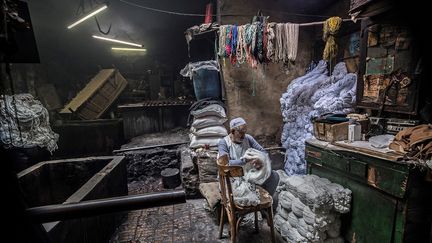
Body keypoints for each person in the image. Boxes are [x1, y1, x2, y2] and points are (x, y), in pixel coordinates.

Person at [218, 117, 280, 209]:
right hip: (232, 177)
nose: (243, 136)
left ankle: (263, 207)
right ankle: (254, 205)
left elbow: (263, 152)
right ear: (232, 131)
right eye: (240, 133)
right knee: (243, 190)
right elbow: (225, 164)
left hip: (248, 174)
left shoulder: (248, 138)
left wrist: (259, 159)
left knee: (274, 176)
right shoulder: (224, 143)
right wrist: (244, 161)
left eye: (244, 132)